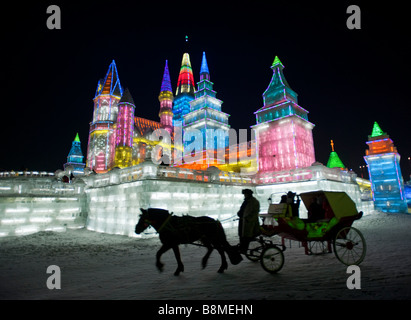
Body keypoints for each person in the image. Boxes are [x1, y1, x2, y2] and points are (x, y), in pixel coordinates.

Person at [237, 189, 261, 253]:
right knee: (241, 235)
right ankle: (242, 247)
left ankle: (244, 248)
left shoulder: (254, 202)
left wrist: (247, 219)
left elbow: (254, 213)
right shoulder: (246, 201)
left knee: (246, 236)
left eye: (245, 194)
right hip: (243, 221)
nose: (244, 195)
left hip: (249, 222)